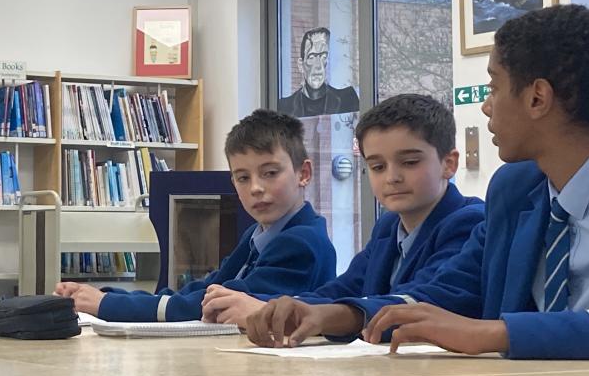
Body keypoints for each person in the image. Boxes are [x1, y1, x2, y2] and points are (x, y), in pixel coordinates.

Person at [249, 4, 589, 360]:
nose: (486, 105)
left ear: (537, 98)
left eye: (494, 86)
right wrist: (337, 314)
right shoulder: (514, 189)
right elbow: (450, 290)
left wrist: (500, 334)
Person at [203, 94, 484, 327]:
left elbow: (422, 301)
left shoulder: (469, 222)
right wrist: (279, 310)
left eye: (409, 162)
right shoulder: (388, 227)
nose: (392, 177)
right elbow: (343, 290)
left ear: (449, 163)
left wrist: (269, 311)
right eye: (377, 166)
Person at [55, 109, 337, 321]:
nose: (256, 188)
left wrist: (106, 305)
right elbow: (205, 288)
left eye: (270, 173)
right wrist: (106, 296)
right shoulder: (257, 234)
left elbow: (212, 305)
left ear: (304, 173)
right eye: (242, 177)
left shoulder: (302, 242)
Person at [277, 27, 359, 117]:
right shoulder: (285, 106)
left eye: (323, 56)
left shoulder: (347, 99)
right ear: (301, 65)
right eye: (311, 57)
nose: (318, 66)